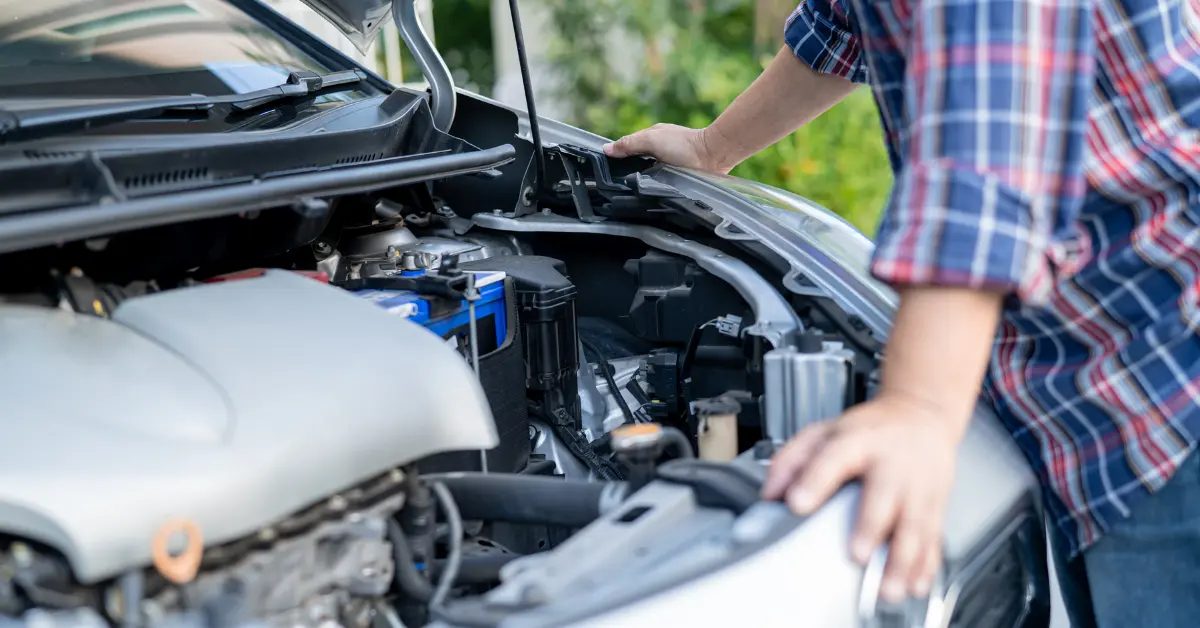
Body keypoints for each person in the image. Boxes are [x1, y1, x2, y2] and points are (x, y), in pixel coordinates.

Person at [604, 0, 1200, 626]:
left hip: (1166, 373)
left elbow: (986, 139)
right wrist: (713, 147)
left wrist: (919, 408)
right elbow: (846, 25)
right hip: (1086, 387)